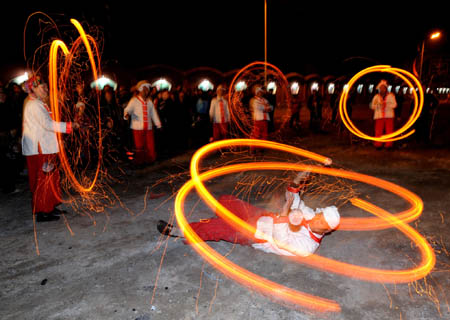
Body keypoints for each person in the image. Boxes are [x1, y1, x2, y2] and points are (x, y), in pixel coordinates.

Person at [157, 172, 340, 257]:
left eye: (319, 220)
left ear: (326, 229)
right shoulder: (310, 216)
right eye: (318, 214)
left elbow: (280, 240)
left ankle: (182, 231)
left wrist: (285, 213)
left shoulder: (307, 247)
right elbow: (294, 198)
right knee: (225, 200)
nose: (314, 218)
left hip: (259, 236)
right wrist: (297, 181)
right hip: (262, 216)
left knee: (217, 228)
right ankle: (226, 222)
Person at [21, 75, 79, 222]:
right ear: (33, 88)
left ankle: (50, 206)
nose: (46, 89)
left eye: (46, 86)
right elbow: (47, 125)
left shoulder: (39, 103)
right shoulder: (34, 105)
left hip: (45, 146)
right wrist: (70, 126)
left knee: (51, 178)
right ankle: (42, 211)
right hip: (39, 148)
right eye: (43, 87)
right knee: (43, 180)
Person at [124, 81, 162, 166]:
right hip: (137, 128)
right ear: (140, 90)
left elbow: (153, 114)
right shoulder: (134, 100)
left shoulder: (149, 102)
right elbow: (127, 110)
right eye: (144, 89)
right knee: (139, 146)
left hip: (148, 127)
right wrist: (126, 115)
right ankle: (139, 162)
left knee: (150, 145)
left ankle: (150, 160)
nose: (146, 91)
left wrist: (158, 124)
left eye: (147, 89)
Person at [370, 80, 397, 149]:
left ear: (386, 88)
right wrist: (378, 105)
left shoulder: (391, 96)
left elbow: (395, 105)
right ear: (379, 89)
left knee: (389, 131)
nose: (382, 89)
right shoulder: (376, 97)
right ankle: (378, 144)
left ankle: (389, 145)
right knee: (378, 131)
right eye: (381, 88)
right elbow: (372, 106)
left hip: (389, 115)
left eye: (384, 88)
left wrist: (387, 104)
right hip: (379, 116)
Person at [249, 85, 273, 154]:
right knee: (256, 135)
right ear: (256, 93)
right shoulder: (254, 100)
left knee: (264, 135)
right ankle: (253, 149)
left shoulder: (265, 100)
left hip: (265, 120)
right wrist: (267, 107)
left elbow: (271, 107)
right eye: (259, 92)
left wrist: (268, 107)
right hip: (258, 120)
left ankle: (261, 148)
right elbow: (259, 108)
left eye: (261, 92)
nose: (260, 93)